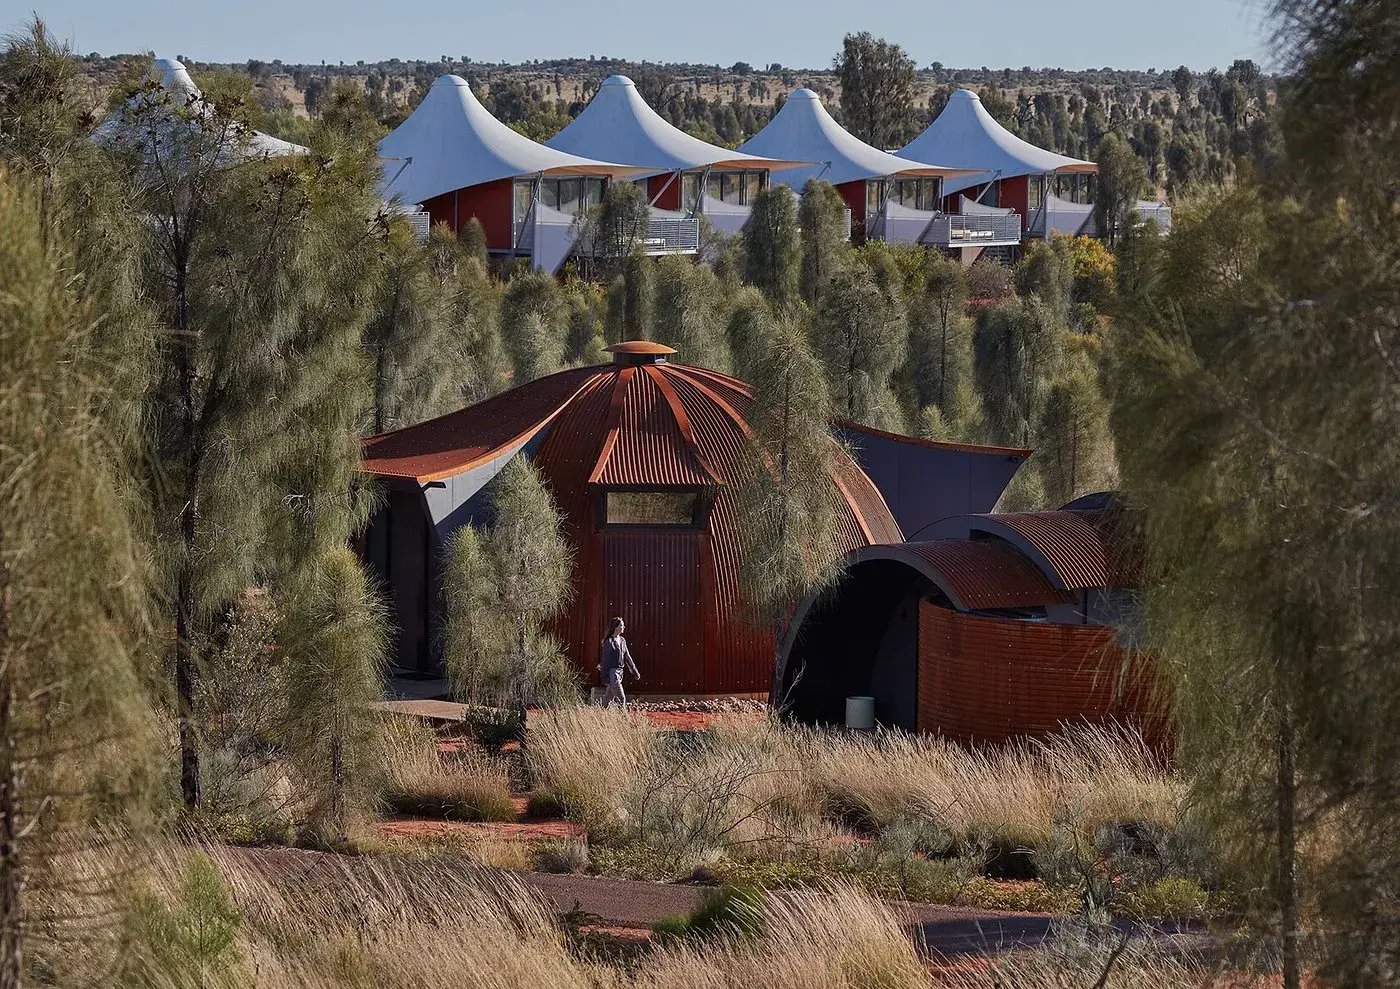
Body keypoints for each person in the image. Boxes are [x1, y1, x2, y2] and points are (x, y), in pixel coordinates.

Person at [597, 616, 640, 709]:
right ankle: (624, 718)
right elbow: (606, 659)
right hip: (613, 673)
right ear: (616, 627)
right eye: (621, 625)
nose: (623, 627)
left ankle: (600, 717)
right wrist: (604, 674)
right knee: (622, 698)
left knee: (606, 701)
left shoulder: (622, 640)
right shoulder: (609, 642)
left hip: (620, 672)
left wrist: (634, 671)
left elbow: (627, 656)